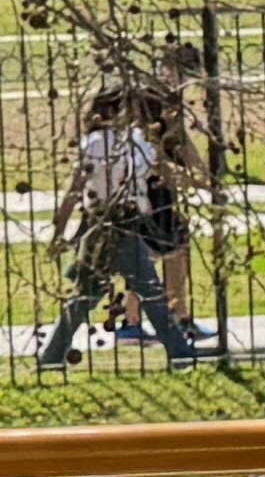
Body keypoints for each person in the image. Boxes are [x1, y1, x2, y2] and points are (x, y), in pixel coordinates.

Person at [40, 87, 201, 373]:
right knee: (149, 293)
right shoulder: (128, 142)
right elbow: (157, 173)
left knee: (85, 297)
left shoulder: (107, 142)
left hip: (102, 223)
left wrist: (60, 230)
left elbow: (75, 191)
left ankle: (52, 356)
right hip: (122, 225)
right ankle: (180, 354)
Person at [122, 45, 212, 345]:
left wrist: (200, 171)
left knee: (163, 250)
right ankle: (157, 319)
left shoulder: (166, 99)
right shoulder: (153, 100)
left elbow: (179, 139)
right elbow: (152, 144)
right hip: (151, 187)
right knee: (159, 252)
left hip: (160, 186)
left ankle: (164, 317)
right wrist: (184, 172)